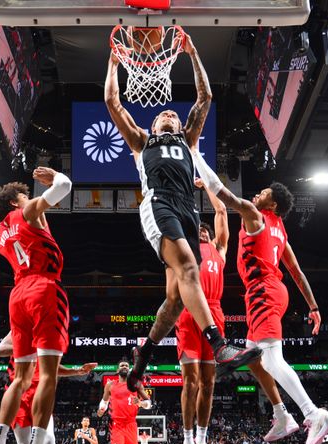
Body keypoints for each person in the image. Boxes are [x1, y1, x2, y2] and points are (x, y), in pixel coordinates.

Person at [104, 29, 262, 392]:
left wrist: (192, 53)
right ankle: (219, 346)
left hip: (188, 211)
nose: (170, 115)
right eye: (164, 115)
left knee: (175, 301)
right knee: (190, 268)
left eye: (174, 114)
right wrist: (114, 62)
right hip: (158, 205)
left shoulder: (189, 139)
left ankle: (142, 358)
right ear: (155, 125)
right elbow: (114, 102)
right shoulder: (142, 141)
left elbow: (205, 96)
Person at [190, 150, 328, 444]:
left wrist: (195, 155)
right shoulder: (280, 230)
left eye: (264, 193)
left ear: (272, 205)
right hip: (272, 291)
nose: (258, 193)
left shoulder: (255, 216)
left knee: (271, 361)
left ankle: (312, 414)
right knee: (254, 357)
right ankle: (282, 414)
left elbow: (222, 192)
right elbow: (295, 271)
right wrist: (314, 307)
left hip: (262, 293)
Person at [0, 166, 73, 444]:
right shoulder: (27, 212)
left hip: (17, 296)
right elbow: (65, 186)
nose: (30, 198)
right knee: (48, 375)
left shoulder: (0, 234)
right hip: (45, 288)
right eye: (25, 195)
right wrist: (54, 176)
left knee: (20, 377)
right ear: (16, 203)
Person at [174, 181, 227, 444]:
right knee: (190, 382)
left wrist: (206, 186)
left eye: (206, 231)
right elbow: (181, 219)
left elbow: (221, 209)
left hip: (215, 313)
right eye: (200, 230)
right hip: (188, 313)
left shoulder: (219, 249)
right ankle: (186, 440)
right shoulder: (187, 248)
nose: (204, 232)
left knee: (209, 383)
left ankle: (202, 441)